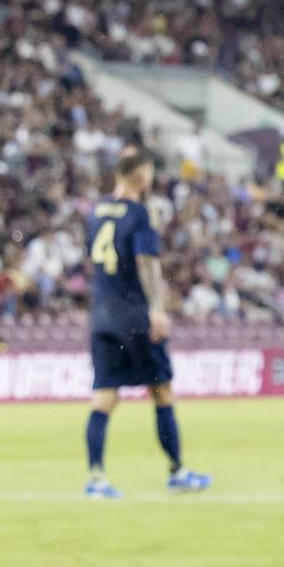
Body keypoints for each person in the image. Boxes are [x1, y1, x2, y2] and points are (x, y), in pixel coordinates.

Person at [81, 146, 209, 499]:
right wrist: (156, 308)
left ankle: (96, 478)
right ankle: (178, 471)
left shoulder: (96, 212)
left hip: (102, 315)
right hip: (134, 315)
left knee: (103, 397)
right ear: (140, 174)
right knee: (162, 391)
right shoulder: (139, 213)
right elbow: (147, 263)